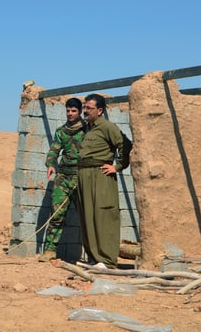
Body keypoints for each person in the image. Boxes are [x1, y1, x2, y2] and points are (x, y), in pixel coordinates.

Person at [76, 93, 132, 269]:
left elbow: (125, 144)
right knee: (88, 217)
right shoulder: (88, 128)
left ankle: (107, 260)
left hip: (100, 176)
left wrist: (118, 166)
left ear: (99, 110)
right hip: (85, 174)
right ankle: (94, 257)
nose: (85, 111)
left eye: (89, 108)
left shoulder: (107, 126)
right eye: (84, 107)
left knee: (103, 216)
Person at [38, 98, 85, 262]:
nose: (70, 114)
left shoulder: (88, 130)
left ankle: (94, 255)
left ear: (79, 112)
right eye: (68, 111)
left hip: (82, 178)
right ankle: (50, 250)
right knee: (56, 215)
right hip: (63, 177)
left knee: (88, 217)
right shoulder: (61, 131)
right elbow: (54, 151)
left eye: (74, 111)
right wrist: (51, 164)